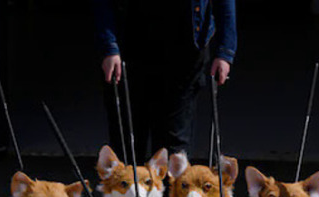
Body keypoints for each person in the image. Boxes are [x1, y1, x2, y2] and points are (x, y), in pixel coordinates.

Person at [93, 0, 236, 162]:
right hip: (132, 47)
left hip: (184, 55)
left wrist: (225, 51)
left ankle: (169, 187)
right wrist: (109, 47)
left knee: (174, 149)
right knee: (127, 144)